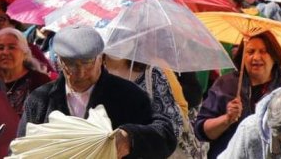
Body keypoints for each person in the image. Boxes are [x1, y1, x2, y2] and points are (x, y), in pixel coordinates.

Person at [18, 26, 177, 159]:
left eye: (87, 63)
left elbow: (165, 135)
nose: (80, 73)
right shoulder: (41, 100)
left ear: (100, 58)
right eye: (71, 64)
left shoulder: (128, 95)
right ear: (59, 61)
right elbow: (21, 148)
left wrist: (130, 137)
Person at [194, 32, 281, 159]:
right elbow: (201, 131)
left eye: (263, 51)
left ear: (274, 56)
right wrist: (227, 119)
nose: (256, 57)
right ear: (242, 57)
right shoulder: (225, 84)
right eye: (250, 52)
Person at [0, 27, 51, 116]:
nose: (5, 52)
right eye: (0, 48)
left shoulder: (40, 82)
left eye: (12, 47)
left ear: (24, 52)